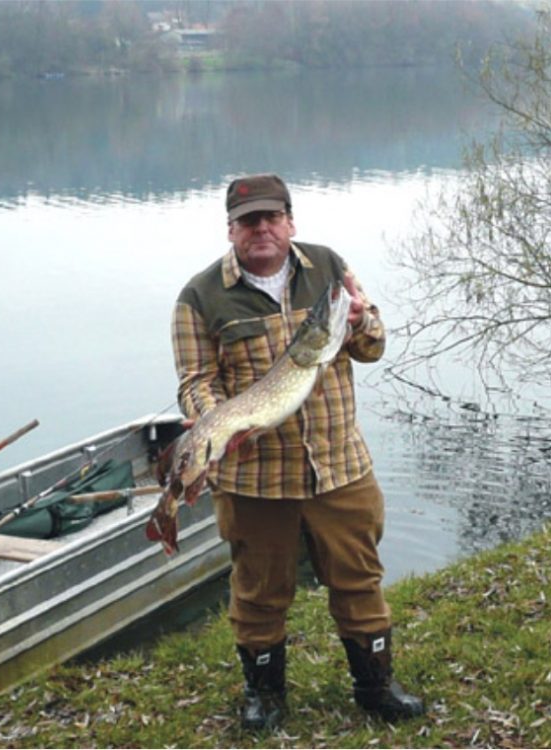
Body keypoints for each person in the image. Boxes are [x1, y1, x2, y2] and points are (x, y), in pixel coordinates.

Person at [170, 174, 424, 730]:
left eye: (271, 218)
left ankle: (377, 688)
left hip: (340, 466)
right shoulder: (200, 296)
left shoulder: (329, 269)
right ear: (231, 229)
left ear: (289, 222)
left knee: (359, 578)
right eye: (248, 221)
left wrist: (361, 321)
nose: (261, 229)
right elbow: (195, 380)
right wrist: (215, 419)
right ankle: (264, 696)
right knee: (258, 592)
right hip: (255, 477)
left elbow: (373, 346)